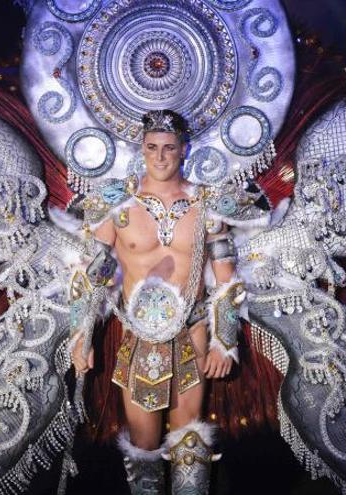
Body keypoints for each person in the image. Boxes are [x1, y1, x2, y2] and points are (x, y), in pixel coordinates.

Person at [69, 109, 243, 494]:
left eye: (169, 148)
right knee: (144, 445)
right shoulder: (116, 205)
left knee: (189, 440)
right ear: (141, 149)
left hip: (193, 332)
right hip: (139, 337)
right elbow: (91, 273)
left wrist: (224, 341)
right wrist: (80, 333)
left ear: (184, 150)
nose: (160, 157)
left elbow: (227, 279)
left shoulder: (208, 206)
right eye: (151, 147)